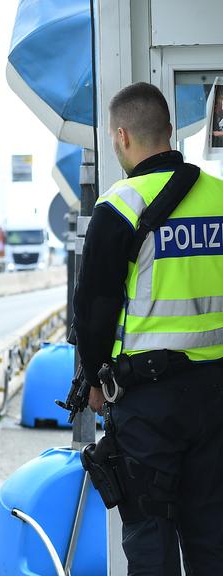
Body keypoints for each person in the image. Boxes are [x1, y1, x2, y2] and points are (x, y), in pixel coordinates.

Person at [73, 82, 223, 575]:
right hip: (216, 397)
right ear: (170, 130)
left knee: (151, 541)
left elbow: (94, 307)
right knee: (212, 537)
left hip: (148, 403)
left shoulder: (119, 206)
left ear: (121, 136)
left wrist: (94, 379)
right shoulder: (219, 198)